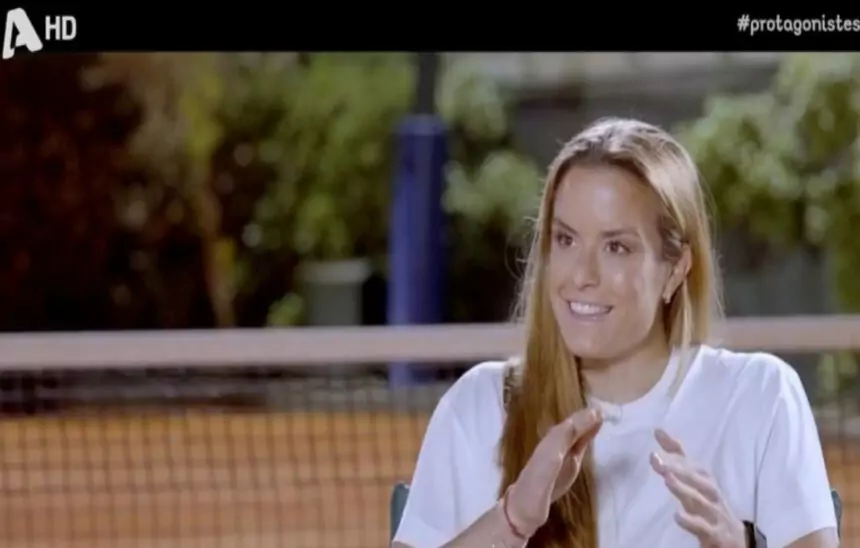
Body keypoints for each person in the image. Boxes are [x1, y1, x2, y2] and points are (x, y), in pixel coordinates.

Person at [391, 118, 839, 548]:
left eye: (616, 247)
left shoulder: (760, 397)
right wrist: (512, 520)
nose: (581, 275)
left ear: (675, 269)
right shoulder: (479, 407)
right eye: (566, 240)